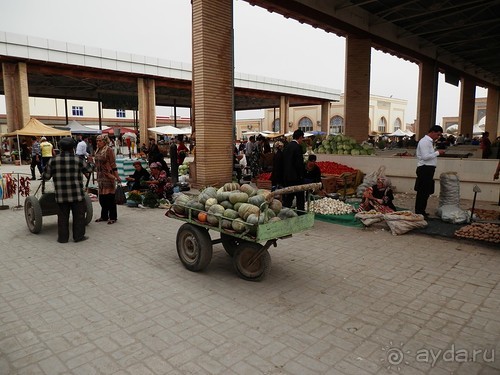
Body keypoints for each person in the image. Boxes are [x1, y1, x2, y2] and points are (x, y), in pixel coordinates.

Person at [42, 137, 93, 243]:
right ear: (72, 148)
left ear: (60, 148)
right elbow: (89, 169)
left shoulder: (53, 160)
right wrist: (91, 162)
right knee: (79, 216)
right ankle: (78, 237)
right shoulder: (78, 159)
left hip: (61, 195)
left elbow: (46, 176)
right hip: (77, 195)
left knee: (62, 217)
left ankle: (62, 238)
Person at [414, 125, 445, 217]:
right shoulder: (425, 142)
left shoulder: (429, 142)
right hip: (425, 168)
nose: (438, 137)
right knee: (423, 191)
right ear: (433, 132)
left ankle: (421, 210)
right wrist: (437, 153)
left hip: (428, 169)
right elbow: (425, 157)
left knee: (426, 191)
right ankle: (419, 211)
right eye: (437, 135)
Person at [92, 134, 121, 224]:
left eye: (100, 141)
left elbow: (113, 164)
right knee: (102, 198)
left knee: (110, 198)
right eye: (97, 141)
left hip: (108, 176)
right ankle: (104, 216)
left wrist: (117, 177)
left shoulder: (109, 150)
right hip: (100, 177)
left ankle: (113, 217)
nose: (98, 142)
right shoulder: (98, 150)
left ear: (104, 141)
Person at [282, 129, 306, 212]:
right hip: (296, 177)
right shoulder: (297, 147)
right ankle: (300, 213)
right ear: (299, 137)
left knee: (289, 196)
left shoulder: (287, 146)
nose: (302, 141)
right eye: (302, 139)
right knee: (300, 196)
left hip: (287, 176)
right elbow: (299, 164)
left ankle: (285, 212)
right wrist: (302, 175)